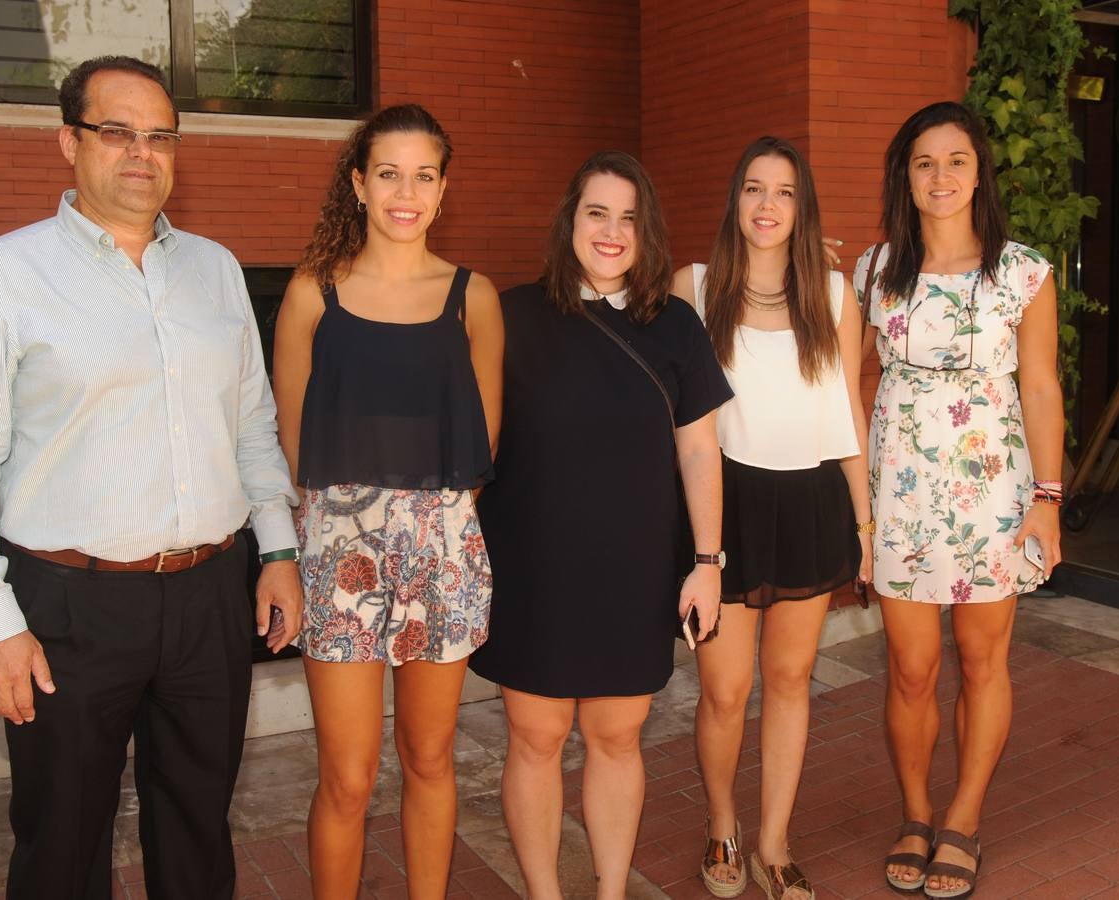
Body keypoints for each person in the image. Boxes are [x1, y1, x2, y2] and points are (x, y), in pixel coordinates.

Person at [0, 56, 303, 900]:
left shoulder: (216, 270)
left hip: (206, 597)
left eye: (160, 136)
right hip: (65, 608)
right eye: (116, 131)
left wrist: (277, 551)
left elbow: (252, 429)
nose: (141, 153)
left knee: (199, 821)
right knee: (62, 840)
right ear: (68, 142)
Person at [468, 150, 731, 900]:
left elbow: (699, 451)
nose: (612, 232)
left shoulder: (675, 325)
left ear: (646, 233)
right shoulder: (510, 315)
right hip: (533, 571)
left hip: (635, 569)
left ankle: (611, 892)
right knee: (537, 738)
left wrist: (707, 564)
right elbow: (471, 439)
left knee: (617, 738)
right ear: (569, 222)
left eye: (628, 218)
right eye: (596, 213)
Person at [272, 104, 503, 899]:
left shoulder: (474, 298)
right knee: (346, 775)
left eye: (425, 175)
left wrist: (417, 529)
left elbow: (483, 452)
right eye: (389, 173)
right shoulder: (311, 295)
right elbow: (293, 451)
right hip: (338, 558)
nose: (407, 191)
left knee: (430, 759)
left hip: (440, 554)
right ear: (359, 184)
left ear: (444, 189)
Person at [855, 101, 1063, 899]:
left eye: (956, 161)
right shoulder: (874, 273)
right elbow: (844, 377)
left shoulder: (1023, 271)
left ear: (980, 172)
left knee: (982, 661)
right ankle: (915, 811)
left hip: (993, 497)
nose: (940, 177)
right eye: (923, 163)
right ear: (904, 178)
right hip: (901, 496)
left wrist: (1046, 498)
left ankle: (965, 815)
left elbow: (1040, 387)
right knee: (911, 669)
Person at [670, 136, 872, 900]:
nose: (766, 205)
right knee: (725, 692)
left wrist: (865, 525)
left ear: (801, 206)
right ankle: (722, 825)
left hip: (811, 499)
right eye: (754, 188)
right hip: (726, 507)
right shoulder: (694, 284)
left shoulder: (833, 292)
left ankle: (774, 843)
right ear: (736, 200)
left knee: (790, 682)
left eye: (784, 192)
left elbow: (847, 408)